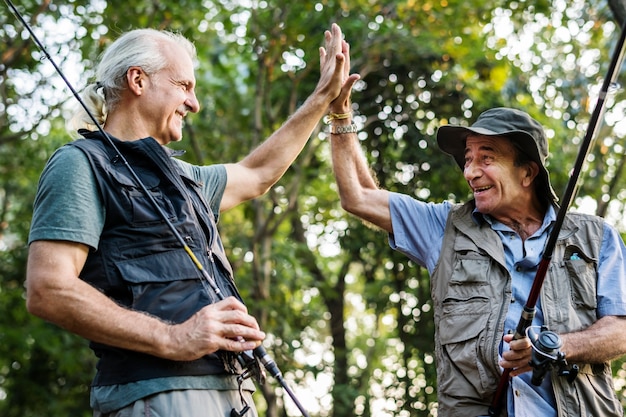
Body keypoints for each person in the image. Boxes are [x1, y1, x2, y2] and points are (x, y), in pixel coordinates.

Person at [26, 24, 359, 417]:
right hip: (158, 396)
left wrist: (324, 98)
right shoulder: (79, 163)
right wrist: (172, 338)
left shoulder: (188, 178)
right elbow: (48, 288)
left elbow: (259, 173)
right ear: (138, 80)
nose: (194, 103)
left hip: (234, 394)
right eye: (184, 85)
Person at [328, 103, 626, 416]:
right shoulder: (443, 228)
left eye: (487, 157)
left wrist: (557, 346)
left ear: (528, 172)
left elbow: (620, 330)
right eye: (468, 159)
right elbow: (357, 195)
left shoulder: (596, 236)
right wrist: (339, 113)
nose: (470, 172)